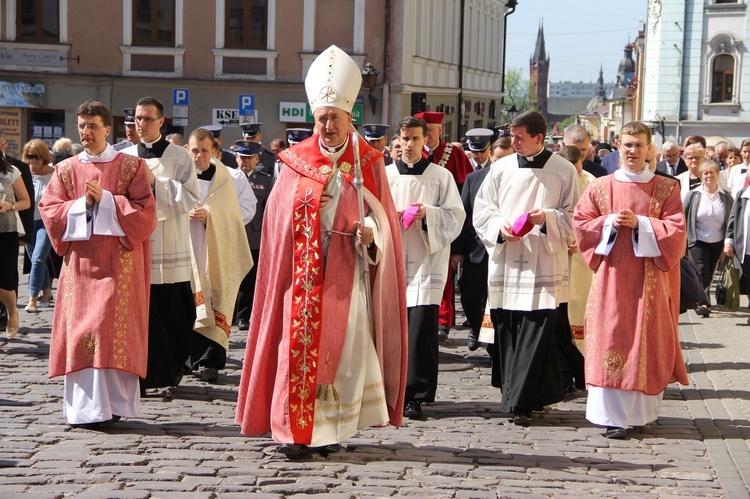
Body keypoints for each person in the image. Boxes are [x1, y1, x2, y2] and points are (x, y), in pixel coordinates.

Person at [235, 45, 408, 459]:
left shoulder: (368, 162)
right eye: (321, 118)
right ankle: (294, 431)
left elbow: (383, 218)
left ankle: (330, 430)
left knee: (344, 355)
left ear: (351, 119)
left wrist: (372, 233)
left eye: (334, 117)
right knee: (294, 348)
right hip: (302, 274)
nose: (327, 125)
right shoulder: (295, 162)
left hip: (349, 276)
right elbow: (277, 223)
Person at [38, 100, 156, 427]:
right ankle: (87, 410)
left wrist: (106, 200)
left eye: (92, 126)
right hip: (80, 266)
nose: (86, 133)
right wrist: (81, 205)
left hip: (120, 264)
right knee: (83, 333)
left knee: (108, 328)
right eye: (81, 126)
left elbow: (146, 213)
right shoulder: (65, 169)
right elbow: (50, 210)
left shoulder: (131, 167)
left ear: (108, 129)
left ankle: (114, 406)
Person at [573, 121, 688, 440]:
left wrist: (642, 224)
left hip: (648, 284)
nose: (633, 151)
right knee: (610, 335)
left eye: (639, 145)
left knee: (644, 339)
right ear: (618, 147)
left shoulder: (666, 188)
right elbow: (581, 224)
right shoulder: (600, 186)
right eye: (627, 145)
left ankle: (640, 414)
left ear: (650, 149)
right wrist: (610, 221)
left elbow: (677, 233)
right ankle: (610, 416)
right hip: (610, 281)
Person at [473, 110, 581, 426]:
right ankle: (520, 394)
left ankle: (518, 400)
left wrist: (547, 218)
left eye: (520, 136)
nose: (513, 141)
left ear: (539, 138)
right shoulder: (501, 168)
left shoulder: (563, 170)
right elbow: (483, 209)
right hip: (507, 261)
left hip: (542, 264)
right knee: (507, 329)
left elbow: (575, 216)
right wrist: (499, 227)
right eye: (512, 136)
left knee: (536, 330)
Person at [386, 115, 464, 419]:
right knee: (391, 328)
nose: (409, 145)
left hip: (427, 262)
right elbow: (368, 214)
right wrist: (388, 217)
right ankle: (388, 390)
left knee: (420, 329)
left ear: (425, 141)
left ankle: (415, 395)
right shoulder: (385, 175)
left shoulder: (440, 176)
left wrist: (428, 214)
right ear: (398, 139)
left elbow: (456, 216)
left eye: (415, 139)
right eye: (404, 139)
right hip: (391, 261)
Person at [122, 96, 200, 394]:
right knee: (142, 315)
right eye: (137, 119)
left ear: (161, 122)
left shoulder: (180, 157)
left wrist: (156, 183)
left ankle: (175, 366)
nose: (141, 124)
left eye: (147, 119)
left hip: (171, 247)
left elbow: (191, 196)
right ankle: (142, 373)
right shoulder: (125, 156)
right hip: (138, 246)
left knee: (174, 312)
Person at [186, 128, 254, 383]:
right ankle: (186, 358)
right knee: (187, 302)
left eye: (205, 150)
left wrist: (212, 216)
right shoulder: (179, 176)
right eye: (195, 150)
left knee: (216, 298)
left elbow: (246, 209)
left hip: (217, 248)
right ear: (187, 151)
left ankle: (210, 360)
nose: (200, 156)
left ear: (215, 151)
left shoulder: (231, 178)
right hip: (186, 247)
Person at [414, 110, 473, 341]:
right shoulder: (412, 152)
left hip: (445, 220)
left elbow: (463, 193)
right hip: (416, 222)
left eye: (431, 130)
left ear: (440, 130)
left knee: (444, 273)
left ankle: (443, 319)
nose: (427, 136)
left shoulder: (453, 153)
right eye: (424, 131)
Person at [454, 131, 514, 351]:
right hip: (477, 249)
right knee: (470, 296)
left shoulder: (519, 179)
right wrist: (457, 250)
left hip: (507, 249)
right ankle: (477, 326)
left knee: (497, 299)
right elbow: (463, 215)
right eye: (498, 159)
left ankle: (494, 342)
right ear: (491, 156)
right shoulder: (475, 178)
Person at [234, 139, 274, 332]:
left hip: (254, 237)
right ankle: (231, 315)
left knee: (250, 280)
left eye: (250, 158)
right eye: (242, 157)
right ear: (236, 157)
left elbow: (270, 209)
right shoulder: (227, 178)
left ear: (257, 158)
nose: (246, 161)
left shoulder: (265, 181)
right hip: (232, 236)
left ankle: (244, 316)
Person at [684, 160, 732, 317]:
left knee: (710, 272)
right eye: (705, 173)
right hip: (697, 239)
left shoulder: (726, 197)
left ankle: (703, 298)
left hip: (718, 239)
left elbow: (731, 219)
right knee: (701, 271)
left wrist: (728, 241)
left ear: (718, 175)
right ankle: (703, 303)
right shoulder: (693, 195)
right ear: (700, 176)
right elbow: (683, 216)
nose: (709, 176)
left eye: (712, 172)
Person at [0, 145, 31, 339]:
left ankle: (12, 311)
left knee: (4, 283)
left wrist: (9, 205)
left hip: (6, 233)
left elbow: (26, 201)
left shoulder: (11, 171)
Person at [21, 139, 55, 313]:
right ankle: (47, 293)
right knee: (37, 258)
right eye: (29, 156)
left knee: (38, 258)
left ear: (43, 157)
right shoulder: (24, 174)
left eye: (35, 157)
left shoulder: (54, 174)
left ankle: (32, 299)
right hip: (27, 222)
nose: (32, 160)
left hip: (46, 222)